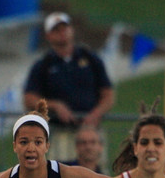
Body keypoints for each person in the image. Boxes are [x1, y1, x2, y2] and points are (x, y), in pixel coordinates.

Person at [23, 12, 114, 161]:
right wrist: (55, 106)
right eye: (56, 30)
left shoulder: (90, 59)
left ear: (72, 29)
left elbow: (108, 94)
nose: (62, 33)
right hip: (61, 132)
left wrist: (96, 114)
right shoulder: (43, 65)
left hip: (91, 132)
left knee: (96, 171)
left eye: (64, 28)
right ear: (48, 35)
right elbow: (29, 98)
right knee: (61, 171)